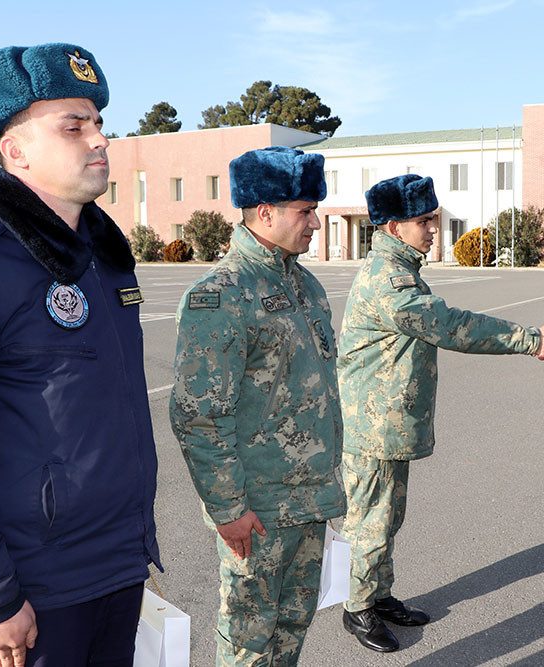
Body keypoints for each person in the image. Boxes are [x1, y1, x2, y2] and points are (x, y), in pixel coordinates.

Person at [0, 43, 160, 667]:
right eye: (73, 126)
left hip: (117, 562)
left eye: (100, 124)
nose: (99, 140)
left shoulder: (104, 258)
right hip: (36, 585)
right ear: (15, 150)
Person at [338, 173, 544, 653]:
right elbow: (451, 326)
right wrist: (531, 340)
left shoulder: (401, 269)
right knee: (371, 519)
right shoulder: (390, 280)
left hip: (386, 419)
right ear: (391, 227)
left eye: (434, 219)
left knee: (387, 515)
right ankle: (357, 607)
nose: (432, 229)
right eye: (423, 221)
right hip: (372, 424)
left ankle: (378, 596)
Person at [170, 146, 344, 666]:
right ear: (265, 212)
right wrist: (228, 509)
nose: (315, 221)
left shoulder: (303, 284)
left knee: (293, 627)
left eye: (315, 209)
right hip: (259, 510)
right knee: (248, 640)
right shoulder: (222, 293)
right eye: (305, 210)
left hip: (311, 502)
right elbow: (199, 416)